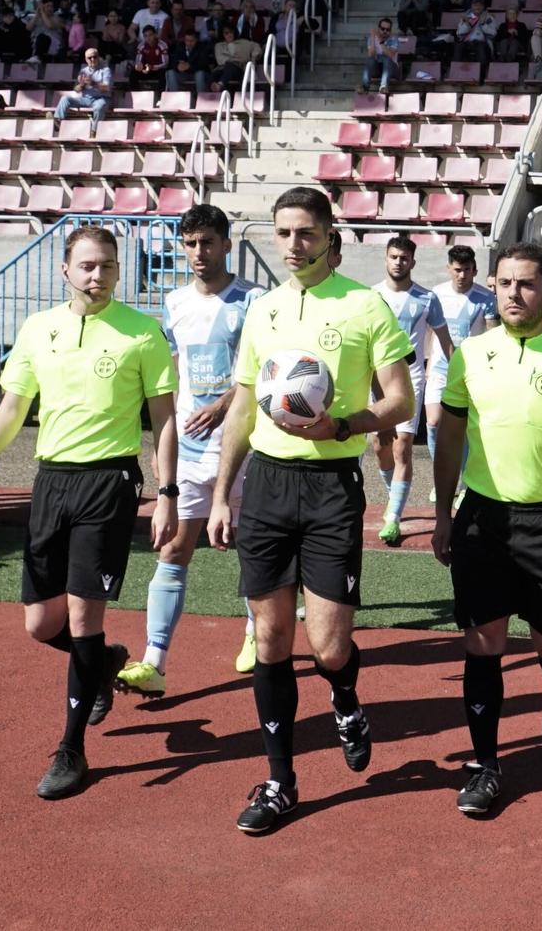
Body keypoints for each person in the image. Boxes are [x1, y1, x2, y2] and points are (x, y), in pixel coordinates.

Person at [205, 188, 415, 835]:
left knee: (327, 646)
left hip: (330, 484)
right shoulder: (262, 310)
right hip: (266, 485)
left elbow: (401, 400)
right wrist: (222, 492)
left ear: (329, 235)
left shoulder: (365, 304)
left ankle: (346, 697)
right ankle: (280, 781)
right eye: (283, 232)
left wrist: (344, 425)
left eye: (306, 232)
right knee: (270, 640)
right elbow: (243, 407)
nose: (293, 243)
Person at [0, 226, 180, 801]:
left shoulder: (143, 334)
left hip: (109, 483)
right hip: (51, 482)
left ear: (118, 270)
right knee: (40, 624)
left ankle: (72, 749)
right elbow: (12, 406)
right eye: (86, 266)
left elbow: (165, 420)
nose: (96, 276)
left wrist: (168, 491)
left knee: (82, 617)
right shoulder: (38, 329)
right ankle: (102, 662)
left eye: (106, 266)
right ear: (64, 270)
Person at [430, 243, 542, 818]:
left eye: (526, 284)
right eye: (505, 283)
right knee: (482, 643)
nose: (513, 293)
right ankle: (485, 765)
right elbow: (450, 437)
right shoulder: (471, 353)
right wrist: (441, 512)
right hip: (482, 518)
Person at [117, 207, 263, 699]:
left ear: (226, 244)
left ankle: (255, 633)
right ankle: (154, 661)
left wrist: (225, 404)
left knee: (251, 547)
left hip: (243, 449)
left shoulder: (253, 301)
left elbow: (261, 370)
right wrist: (166, 443)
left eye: (207, 242)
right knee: (174, 548)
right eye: (190, 243)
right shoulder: (175, 300)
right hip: (191, 448)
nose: (199, 253)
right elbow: (174, 374)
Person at [372, 236, 451, 548]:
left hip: (411, 377)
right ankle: (395, 496)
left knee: (403, 445)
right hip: (376, 379)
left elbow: (445, 341)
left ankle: (393, 516)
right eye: (393, 256)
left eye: (404, 258)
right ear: (386, 258)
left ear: (413, 262)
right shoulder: (371, 296)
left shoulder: (427, 298)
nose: (398, 262)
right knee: (380, 444)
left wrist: (458, 372)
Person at [425, 244, 498, 479]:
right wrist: (427, 361)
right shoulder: (436, 294)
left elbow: (492, 334)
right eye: (457, 269)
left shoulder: (486, 297)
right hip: (439, 368)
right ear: (448, 269)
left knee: (466, 427)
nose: (462, 275)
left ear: (475, 270)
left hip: (471, 371)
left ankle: (464, 479)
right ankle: (442, 476)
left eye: (467, 270)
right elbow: (428, 331)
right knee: (435, 422)